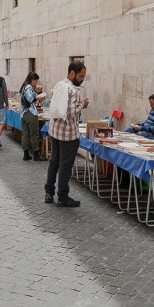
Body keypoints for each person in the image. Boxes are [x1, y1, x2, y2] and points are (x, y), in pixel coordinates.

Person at [45, 61, 89, 207]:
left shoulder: (59, 85)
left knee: (54, 162)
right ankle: (63, 197)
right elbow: (69, 112)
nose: (82, 79)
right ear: (72, 73)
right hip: (68, 135)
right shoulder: (73, 90)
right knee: (65, 166)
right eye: (81, 76)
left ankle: (49, 192)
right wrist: (83, 104)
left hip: (55, 131)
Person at [19, 72, 44, 161]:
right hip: (30, 112)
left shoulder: (24, 86)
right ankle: (36, 154)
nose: (36, 83)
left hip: (23, 113)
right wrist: (38, 98)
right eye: (36, 81)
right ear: (32, 79)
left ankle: (26, 154)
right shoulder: (29, 86)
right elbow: (30, 99)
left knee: (25, 134)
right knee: (34, 134)